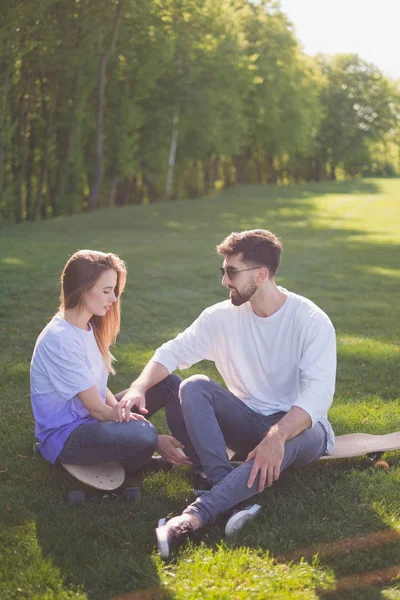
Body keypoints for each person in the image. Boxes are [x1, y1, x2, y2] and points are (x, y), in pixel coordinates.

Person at [119, 229, 337, 559]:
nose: (224, 281)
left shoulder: (310, 321)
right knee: (194, 386)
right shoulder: (221, 316)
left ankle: (190, 518)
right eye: (223, 271)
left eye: (231, 272)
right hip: (248, 424)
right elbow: (172, 351)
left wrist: (276, 437)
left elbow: (317, 396)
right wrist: (138, 387)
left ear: (261, 275)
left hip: (301, 430)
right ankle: (229, 493)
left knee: (291, 439)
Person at [30, 249, 191, 474]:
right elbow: (96, 409)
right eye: (106, 291)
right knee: (144, 434)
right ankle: (136, 459)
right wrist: (151, 436)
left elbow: (97, 387)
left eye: (113, 291)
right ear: (83, 290)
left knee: (170, 384)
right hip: (67, 436)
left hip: (92, 420)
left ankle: (196, 459)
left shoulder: (87, 327)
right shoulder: (60, 339)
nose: (113, 299)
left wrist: (119, 408)